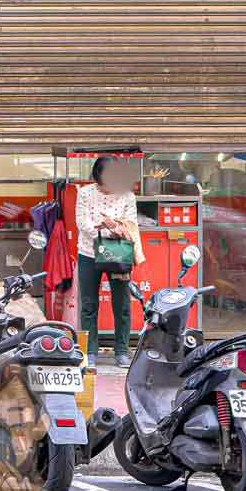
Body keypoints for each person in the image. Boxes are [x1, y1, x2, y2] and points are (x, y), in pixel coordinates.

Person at [76, 154, 146, 367]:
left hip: (118, 255)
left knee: (122, 304)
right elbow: (82, 223)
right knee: (89, 304)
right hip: (89, 254)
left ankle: (122, 350)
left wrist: (108, 225)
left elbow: (130, 224)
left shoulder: (127, 195)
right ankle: (90, 351)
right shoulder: (85, 193)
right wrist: (108, 229)